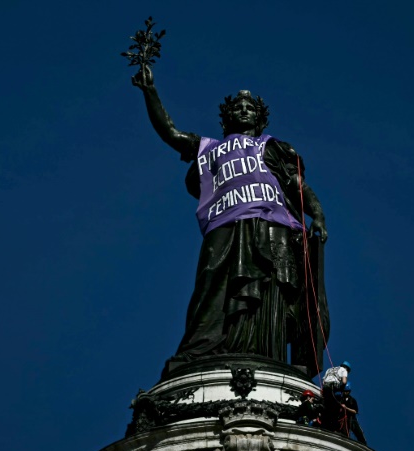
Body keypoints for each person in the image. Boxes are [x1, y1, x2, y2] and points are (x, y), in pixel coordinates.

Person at [131, 65, 329, 369]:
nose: (244, 110)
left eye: (251, 108)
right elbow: (170, 133)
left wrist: (317, 214)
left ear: (260, 117)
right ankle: (202, 349)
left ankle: (266, 354)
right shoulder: (210, 148)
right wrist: (150, 92)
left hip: (272, 225)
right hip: (224, 224)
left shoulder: (271, 147)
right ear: (228, 116)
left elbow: (297, 186)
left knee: (268, 289)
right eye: (238, 107)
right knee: (212, 280)